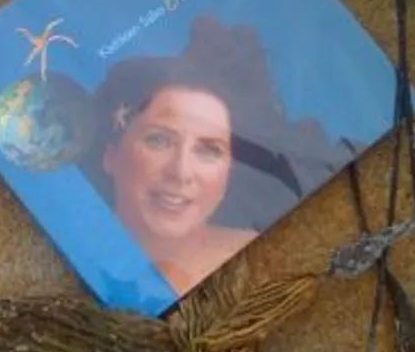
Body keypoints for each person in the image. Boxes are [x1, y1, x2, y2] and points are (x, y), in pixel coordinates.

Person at [82, 16, 357, 296]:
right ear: (111, 156)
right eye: (159, 140)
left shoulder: (276, 257)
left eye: (209, 150)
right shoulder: (87, 265)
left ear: (229, 171)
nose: (181, 171)